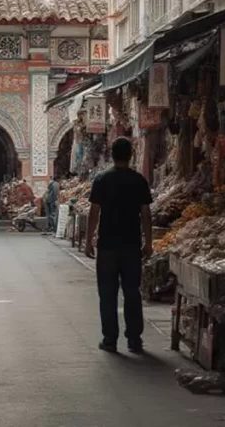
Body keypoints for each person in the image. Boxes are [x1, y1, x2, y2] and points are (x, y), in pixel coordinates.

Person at [84, 137, 152, 354]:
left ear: (112, 155)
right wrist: (148, 242)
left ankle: (110, 339)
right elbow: (146, 214)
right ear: (131, 155)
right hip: (131, 245)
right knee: (132, 292)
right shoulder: (139, 180)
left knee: (107, 293)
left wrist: (88, 239)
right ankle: (134, 340)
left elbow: (94, 211)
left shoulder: (102, 179)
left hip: (107, 245)